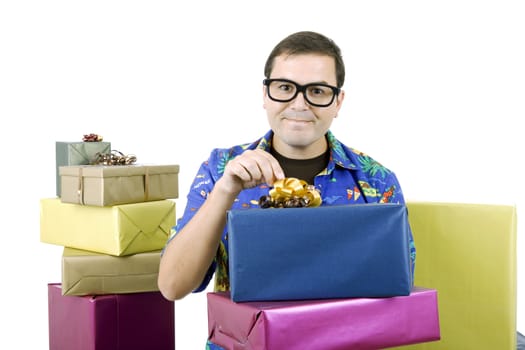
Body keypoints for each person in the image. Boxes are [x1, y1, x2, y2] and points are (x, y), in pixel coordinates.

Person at [158, 30, 416, 349]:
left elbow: (395, 294)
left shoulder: (376, 180)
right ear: (265, 94)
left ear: (338, 101)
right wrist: (226, 190)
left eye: (317, 91)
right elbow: (173, 286)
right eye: (285, 88)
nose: (299, 104)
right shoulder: (220, 168)